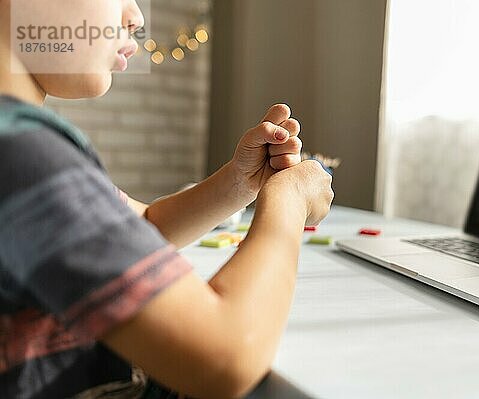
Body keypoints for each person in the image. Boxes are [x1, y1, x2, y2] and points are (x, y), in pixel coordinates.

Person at [0, 0, 334, 398]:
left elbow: (142, 228)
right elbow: (225, 357)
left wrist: (240, 183)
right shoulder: (21, 157)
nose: (137, 18)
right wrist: (290, 200)